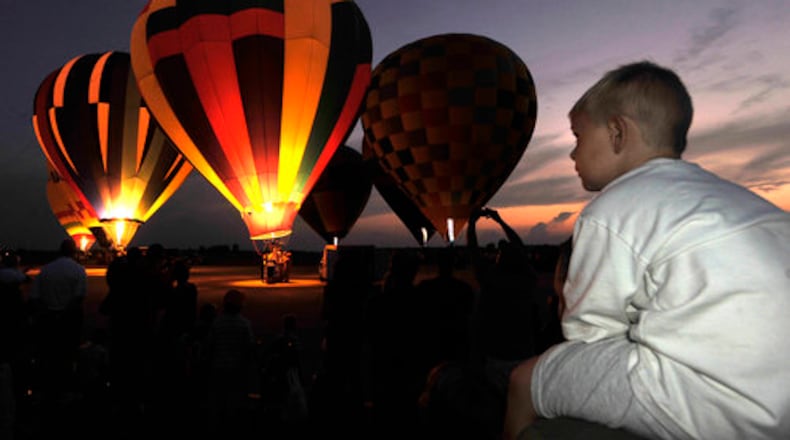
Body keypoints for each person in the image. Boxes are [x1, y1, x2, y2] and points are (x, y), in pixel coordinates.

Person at [504, 61, 790, 440]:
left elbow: (589, 336)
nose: (572, 155)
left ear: (618, 133)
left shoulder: (612, 210)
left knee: (525, 379)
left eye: (577, 137)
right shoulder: (739, 200)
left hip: (703, 399)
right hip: (778, 402)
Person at [467, 207, 540, 401]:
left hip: (497, 356)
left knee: (495, 405)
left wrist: (471, 224)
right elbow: (520, 248)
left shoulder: (492, 281)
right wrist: (500, 221)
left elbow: (474, 252)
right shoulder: (527, 281)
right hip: (524, 355)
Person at [28, 238, 88, 404]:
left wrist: (48, 312)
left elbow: (34, 297)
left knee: (47, 355)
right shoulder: (78, 270)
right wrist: (63, 314)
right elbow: (78, 298)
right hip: (68, 321)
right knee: (68, 355)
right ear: (74, 252)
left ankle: (45, 392)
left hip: (47, 320)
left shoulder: (45, 271)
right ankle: (66, 391)